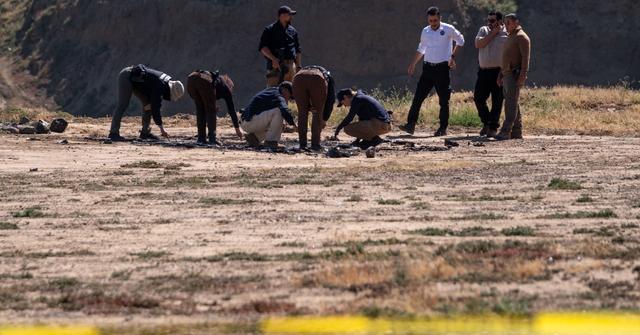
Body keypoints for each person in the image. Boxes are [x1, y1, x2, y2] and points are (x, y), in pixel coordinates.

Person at [399, 6, 465, 137]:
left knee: (443, 100)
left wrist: (452, 57)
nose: (433, 23)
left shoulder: (448, 29)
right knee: (418, 97)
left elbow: (461, 41)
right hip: (428, 69)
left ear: (440, 18)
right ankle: (410, 125)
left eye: (435, 20)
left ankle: (442, 128)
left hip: (442, 69)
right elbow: (422, 48)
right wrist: (413, 63)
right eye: (430, 20)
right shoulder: (425, 31)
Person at [108, 64, 184, 141]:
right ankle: (113, 133)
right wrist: (161, 129)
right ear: (170, 91)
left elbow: (154, 104)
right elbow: (156, 108)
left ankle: (145, 133)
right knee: (122, 105)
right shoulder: (160, 85)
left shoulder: (163, 82)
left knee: (148, 105)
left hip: (136, 81)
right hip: (127, 76)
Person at [496, 13, 531, 141]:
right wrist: (500, 74)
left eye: (508, 23)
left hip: (514, 74)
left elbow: (525, 59)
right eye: (505, 23)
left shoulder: (522, 37)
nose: (506, 25)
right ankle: (517, 131)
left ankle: (506, 131)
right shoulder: (511, 36)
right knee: (512, 102)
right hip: (506, 74)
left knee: (510, 104)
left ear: (516, 22)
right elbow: (506, 57)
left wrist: (523, 76)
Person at [474, 10, 508, 138]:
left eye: (492, 21)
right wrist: (492, 34)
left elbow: (509, 55)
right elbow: (478, 44)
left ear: (500, 21)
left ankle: (493, 127)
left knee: (497, 101)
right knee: (478, 98)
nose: (489, 23)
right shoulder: (483, 30)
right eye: (488, 20)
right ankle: (486, 122)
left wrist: (503, 72)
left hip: (498, 72)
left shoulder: (506, 34)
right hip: (483, 71)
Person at [186, 70, 243, 145]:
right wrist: (237, 130)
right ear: (230, 85)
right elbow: (231, 110)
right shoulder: (226, 89)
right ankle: (212, 138)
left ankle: (201, 139)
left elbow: (209, 96)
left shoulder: (217, 82)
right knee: (211, 111)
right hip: (204, 79)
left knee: (200, 110)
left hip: (190, 79)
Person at [240, 82, 297, 148]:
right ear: (285, 90)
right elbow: (285, 110)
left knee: (281, 123)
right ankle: (271, 142)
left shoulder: (272, 90)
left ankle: (255, 138)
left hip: (246, 121)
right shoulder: (279, 96)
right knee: (278, 111)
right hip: (249, 121)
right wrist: (294, 124)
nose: (289, 99)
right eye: (290, 96)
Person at [292, 65, 335, 151]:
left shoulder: (303, 71)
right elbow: (331, 99)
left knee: (302, 113)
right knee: (317, 113)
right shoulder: (328, 77)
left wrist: (307, 106)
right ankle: (315, 144)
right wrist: (324, 118)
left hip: (298, 77)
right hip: (317, 79)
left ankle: (302, 144)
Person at [259, 6, 302, 87]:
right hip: (276, 67)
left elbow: (298, 49)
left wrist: (298, 66)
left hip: (291, 66)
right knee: (274, 92)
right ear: (282, 16)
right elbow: (263, 48)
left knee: (292, 93)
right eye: (289, 15)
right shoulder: (270, 30)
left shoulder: (292, 31)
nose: (291, 17)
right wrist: (273, 59)